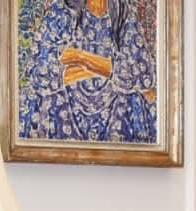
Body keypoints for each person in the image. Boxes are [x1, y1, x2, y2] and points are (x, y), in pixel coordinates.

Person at [19, 0, 157, 144]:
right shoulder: (62, 9)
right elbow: (39, 74)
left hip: (116, 112)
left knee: (134, 100)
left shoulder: (123, 12)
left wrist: (80, 58)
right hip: (64, 110)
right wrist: (108, 70)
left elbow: (144, 74)